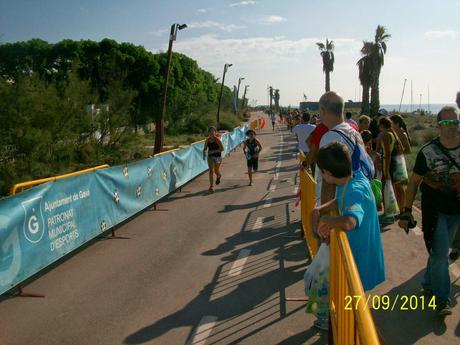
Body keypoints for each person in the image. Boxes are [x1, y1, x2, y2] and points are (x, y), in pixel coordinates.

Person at [311, 142, 385, 330]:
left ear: (327, 173)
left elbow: (350, 221)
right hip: (353, 252)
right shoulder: (351, 178)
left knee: (351, 294)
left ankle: (348, 328)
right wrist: (320, 209)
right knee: (346, 291)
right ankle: (343, 322)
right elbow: (341, 200)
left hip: (359, 255)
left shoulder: (355, 189)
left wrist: (326, 220)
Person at [399, 106, 460, 316]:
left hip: (457, 208)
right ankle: (442, 300)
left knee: (439, 250)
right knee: (442, 253)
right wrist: (406, 211)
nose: (452, 127)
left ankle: (426, 281)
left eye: (456, 122)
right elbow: (414, 182)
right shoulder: (428, 151)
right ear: (438, 125)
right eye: (447, 123)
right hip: (435, 209)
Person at [317, 91, 368, 205]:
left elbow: (328, 180)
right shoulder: (354, 132)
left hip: (340, 206)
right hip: (357, 198)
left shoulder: (330, 137)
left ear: (323, 111)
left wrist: (324, 214)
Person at [378, 117, 408, 212]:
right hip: (397, 163)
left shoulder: (386, 135)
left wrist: (386, 170)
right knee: (398, 187)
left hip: (389, 164)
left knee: (387, 187)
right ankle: (401, 208)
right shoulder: (393, 134)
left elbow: (387, 154)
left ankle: (390, 211)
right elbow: (402, 149)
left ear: (381, 125)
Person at [203, 127, 224, 193]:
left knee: (216, 170)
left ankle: (219, 176)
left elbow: (222, 149)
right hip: (210, 157)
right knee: (211, 171)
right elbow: (205, 148)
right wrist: (204, 151)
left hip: (218, 157)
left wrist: (213, 151)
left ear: (215, 132)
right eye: (210, 132)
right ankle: (211, 186)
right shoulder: (207, 140)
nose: (211, 133)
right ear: (208, 133)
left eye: (213, 131)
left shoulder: (217, 140)